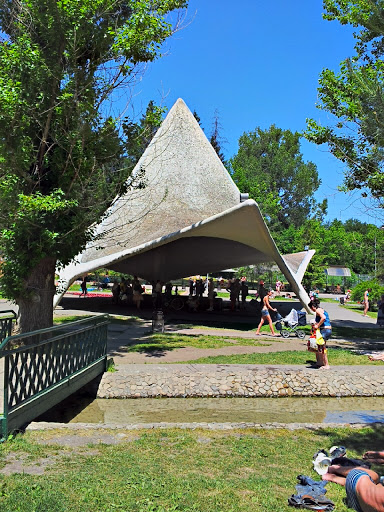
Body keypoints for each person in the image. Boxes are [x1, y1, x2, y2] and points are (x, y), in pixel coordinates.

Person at [308, 298, 332, 370]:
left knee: (322, 347)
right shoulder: (321, 309)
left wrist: (317, 325)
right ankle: (320, 362)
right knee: (319, 346)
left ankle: (326, 365)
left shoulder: (318, 310)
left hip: (325, 330)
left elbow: (323, 318)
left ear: (312, 307)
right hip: (326, 330)